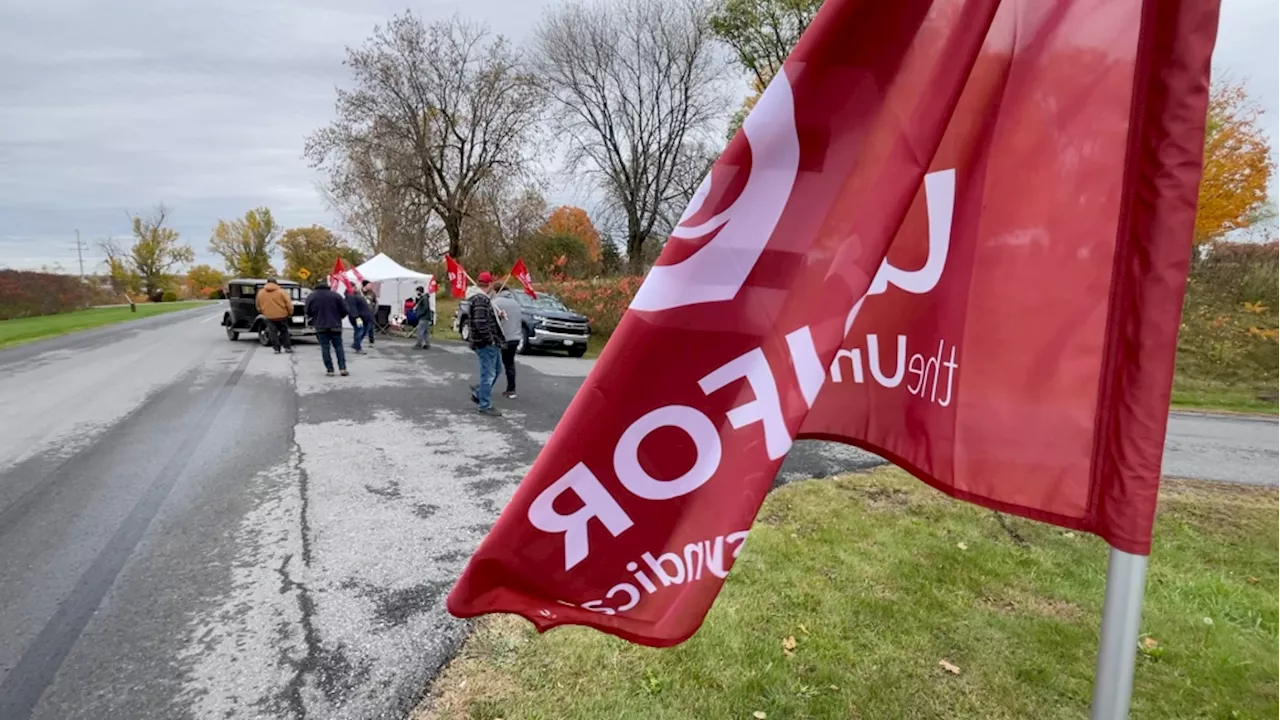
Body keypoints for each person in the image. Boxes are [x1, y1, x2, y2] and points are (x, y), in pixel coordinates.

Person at [467, 272, 502, 416]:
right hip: (486, 343)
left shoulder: (480, 299)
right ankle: (484, 405)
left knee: (497, 370)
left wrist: (497, 315)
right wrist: (490, 339)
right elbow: (480, 322)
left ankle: (479, 394)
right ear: (490, 284)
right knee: (488, 374)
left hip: (487, 342)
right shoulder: (481, 300)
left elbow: (482, 318)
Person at [304, 280, 349, 377]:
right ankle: (342, 368)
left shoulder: (312, 296)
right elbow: (345, 310)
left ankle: (330, 370)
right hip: (335, 325)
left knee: (325, 347)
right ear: (328, 286)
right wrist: (339, 317)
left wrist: (315, 317)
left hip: (320, 326)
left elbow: (307, 311)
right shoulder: (336, 296)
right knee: (338, 347)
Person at [492, 290, 523, 399]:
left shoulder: (496, 302)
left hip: (502, 337)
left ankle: (484, 387)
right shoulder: (517, 304)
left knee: (493, 364)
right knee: (509, 364)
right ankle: (511, 389)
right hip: (515, 337)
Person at [255, 278, 294, 354]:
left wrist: (263, 312)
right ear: (276, 283)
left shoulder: (261, 293)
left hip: (269, 316)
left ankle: (276, 349)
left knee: (272, 332)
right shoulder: (281, 292)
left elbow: (258, 305)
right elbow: (289, 304)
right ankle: (287, 347)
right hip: (282, 315)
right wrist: (290, 313)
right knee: (284, 331)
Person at [345, 285, 375, 353]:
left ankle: (356, 344)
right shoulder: (351, 297)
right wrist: (356, 317)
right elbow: (352, 309)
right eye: (354, 287)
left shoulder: (357, 296)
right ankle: (358, 347)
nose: (356, 288)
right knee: (359, 332)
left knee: (364, 331)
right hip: (359, 318)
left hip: (365, 317)